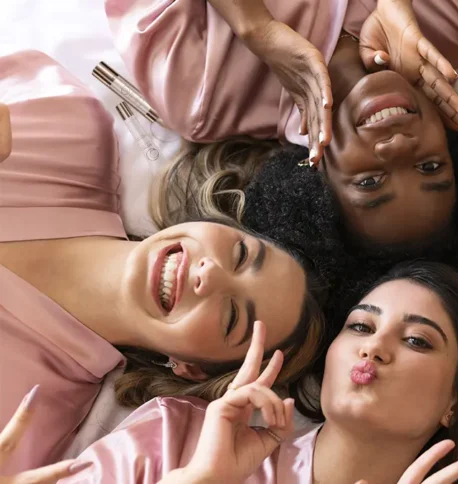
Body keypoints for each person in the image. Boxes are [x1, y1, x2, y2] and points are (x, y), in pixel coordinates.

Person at [0, 50, 326, 474]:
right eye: (240, 254)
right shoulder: (65, 130)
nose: (209, 274)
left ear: (191, 368)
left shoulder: (29, 419)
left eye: (232, 317)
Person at [108, 0, 458, 249]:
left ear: (315, 182)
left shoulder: (203, 96)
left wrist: (256, 28)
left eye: (370, 182)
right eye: (429, 166)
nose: (397, 147)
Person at [63, 262, 458, 484]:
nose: (373, 346)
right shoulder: (172, 436)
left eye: (416, 340)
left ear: (456, 401)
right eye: (361, 326)